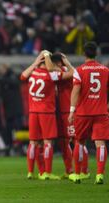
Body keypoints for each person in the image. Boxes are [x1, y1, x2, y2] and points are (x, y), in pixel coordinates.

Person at [68, 42, 109, 184]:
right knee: (100, 144)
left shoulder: (79, 70)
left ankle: (77, 174)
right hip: (101, 112)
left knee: (80, 142)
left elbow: (75, 91)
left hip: (83, 113)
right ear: (97, 53)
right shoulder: (106, 70)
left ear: (84, 54)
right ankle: (99, 175)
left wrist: (71, 111)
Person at [21, 50, 72, 180]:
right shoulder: (52, 75)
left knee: (33, 143)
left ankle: (30, 172)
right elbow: (72, 74)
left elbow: (22, 76)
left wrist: (36, 61)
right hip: (46, 112)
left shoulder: (33, 73)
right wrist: (64, 61)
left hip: (33, 112)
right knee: (47, 142)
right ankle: (47, 172)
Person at [45, 53, 90, 179]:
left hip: (70, 111)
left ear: (59, 63)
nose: (51, 66)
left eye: (54, 63)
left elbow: (50, 68)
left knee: (77, 140)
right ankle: (69, 170)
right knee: (64, 141)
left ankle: (84, 171)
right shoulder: (64, 71)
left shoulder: (66, 72)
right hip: (61, 112)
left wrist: (46, 54)